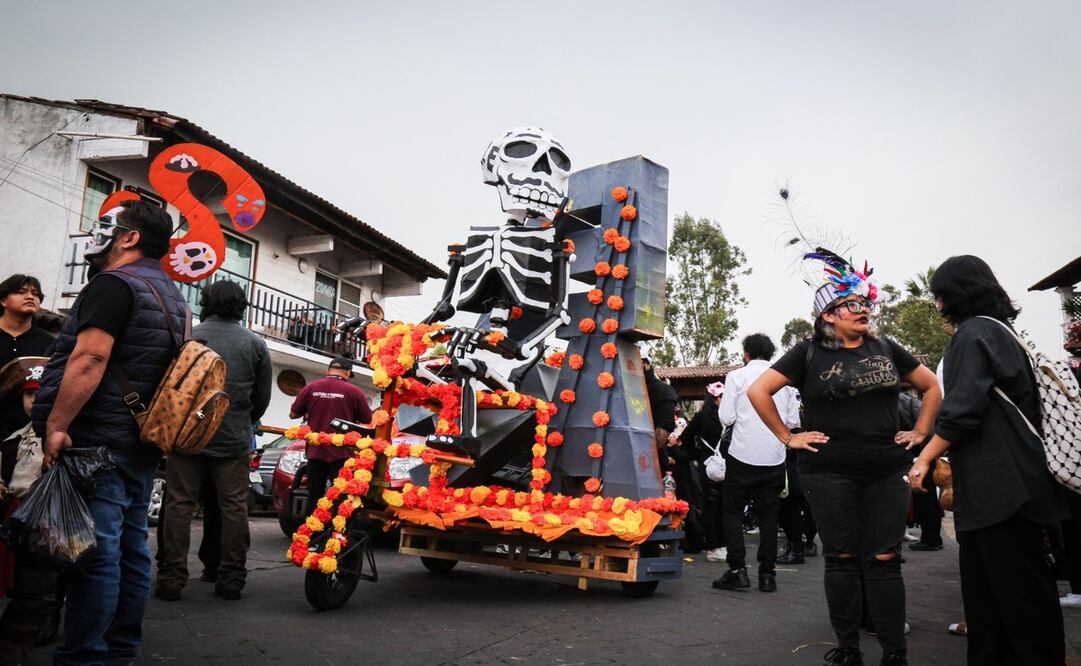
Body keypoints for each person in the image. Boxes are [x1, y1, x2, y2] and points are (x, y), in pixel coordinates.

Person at [748, 255, 941, 666]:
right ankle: (849, 647)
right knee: (842, 558)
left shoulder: (886, 347)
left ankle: (894, 653)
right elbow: (758, 391)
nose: (863, 309)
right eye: (852, 304)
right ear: (828, 315)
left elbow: (931, 386)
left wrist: (921, 432)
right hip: (828, 471)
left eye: (865, 303)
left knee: (885, 559)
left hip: (886, 469)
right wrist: (788, 436)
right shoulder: (807, 352)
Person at [31, 199, 187, 665]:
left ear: (130, 237)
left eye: (109, 226)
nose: (97, 234)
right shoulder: (174, 298)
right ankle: (120, 649)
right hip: (138, 443)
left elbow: (90, 357)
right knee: (131, 550)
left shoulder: (114, 284)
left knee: (96, 554)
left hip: (98, 442)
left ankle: (84, 657)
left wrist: (57, 425)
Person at [908, 255, 1067, 664]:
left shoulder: (972, 334)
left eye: (939, 296)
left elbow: (962, 412)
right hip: (1021, 483)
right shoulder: (1002, 332)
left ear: (952, 296)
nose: (938, 305)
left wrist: (924, 458)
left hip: (999, 489)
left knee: (1006, 600)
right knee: (1011, 595)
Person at [155, 280, 271, 602]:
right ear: (241, 306)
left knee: (179, 504)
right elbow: (261, 399)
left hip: (186, 436)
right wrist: (241, 418)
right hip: (232, 437)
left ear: (206, 301)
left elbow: (167, 387)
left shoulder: (188, 337)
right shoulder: (255, 344)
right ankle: (231, 578)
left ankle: (171, 578)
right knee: (233, 506)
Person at [712, 334, 800, 594]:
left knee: (732, 511)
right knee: (769, 514)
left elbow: (726, 417)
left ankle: (737, 570)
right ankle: (767, 574)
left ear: (746, 354)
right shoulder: (784, 381)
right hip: (774, 455)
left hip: (742, 455)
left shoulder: (736, 377)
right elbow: (793, 422)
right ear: (771, 354)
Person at [0, 359, 52, 664]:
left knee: (40, 583)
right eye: (29, 394)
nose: (34, 400)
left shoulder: (66, 437)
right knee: (21, 579)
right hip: (16, 516)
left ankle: (28, 634)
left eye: (41, 394)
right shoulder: (13, 440)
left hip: (48, 519)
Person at [290, 356, 373, 516]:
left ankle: (310, 528)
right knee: (341, 495)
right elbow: (367, 419)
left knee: (314, 494)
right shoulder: (354, 391)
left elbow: (293, 414)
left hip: (316, 452)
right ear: (347, 373)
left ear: (328, 371)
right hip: (342, 454)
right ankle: (336, 529)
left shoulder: (310, 388)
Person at [0, 275, 54, 440]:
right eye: (21, 292)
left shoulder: (50, 343)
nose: (30, 297)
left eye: (35, 294)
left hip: (29, 436)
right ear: (3, 300)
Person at [681, 381, 727, 562]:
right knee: (715, 506)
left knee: (716, 506)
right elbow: (686, 436)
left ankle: (717, 545)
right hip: (722, 464)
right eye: (721, 396)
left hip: (707, 464)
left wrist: (698, 455)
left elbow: (687, 437)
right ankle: (717, 545)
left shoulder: (704, 417)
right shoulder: (726, 417)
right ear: (714, 398)